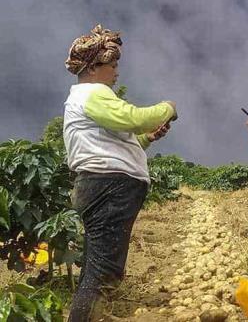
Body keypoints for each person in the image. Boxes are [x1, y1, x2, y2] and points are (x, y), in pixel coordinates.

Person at [64, 25, 176, 321]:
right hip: (108, 187)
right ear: (92, 68)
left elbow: (115, 140)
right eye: (111, 65)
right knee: (103, 272)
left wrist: (148, 138)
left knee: (96, 266)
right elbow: (131, 118)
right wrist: (166, 108)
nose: (116, 72)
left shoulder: (85, 99)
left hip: (102, 186)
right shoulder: (92, 93)